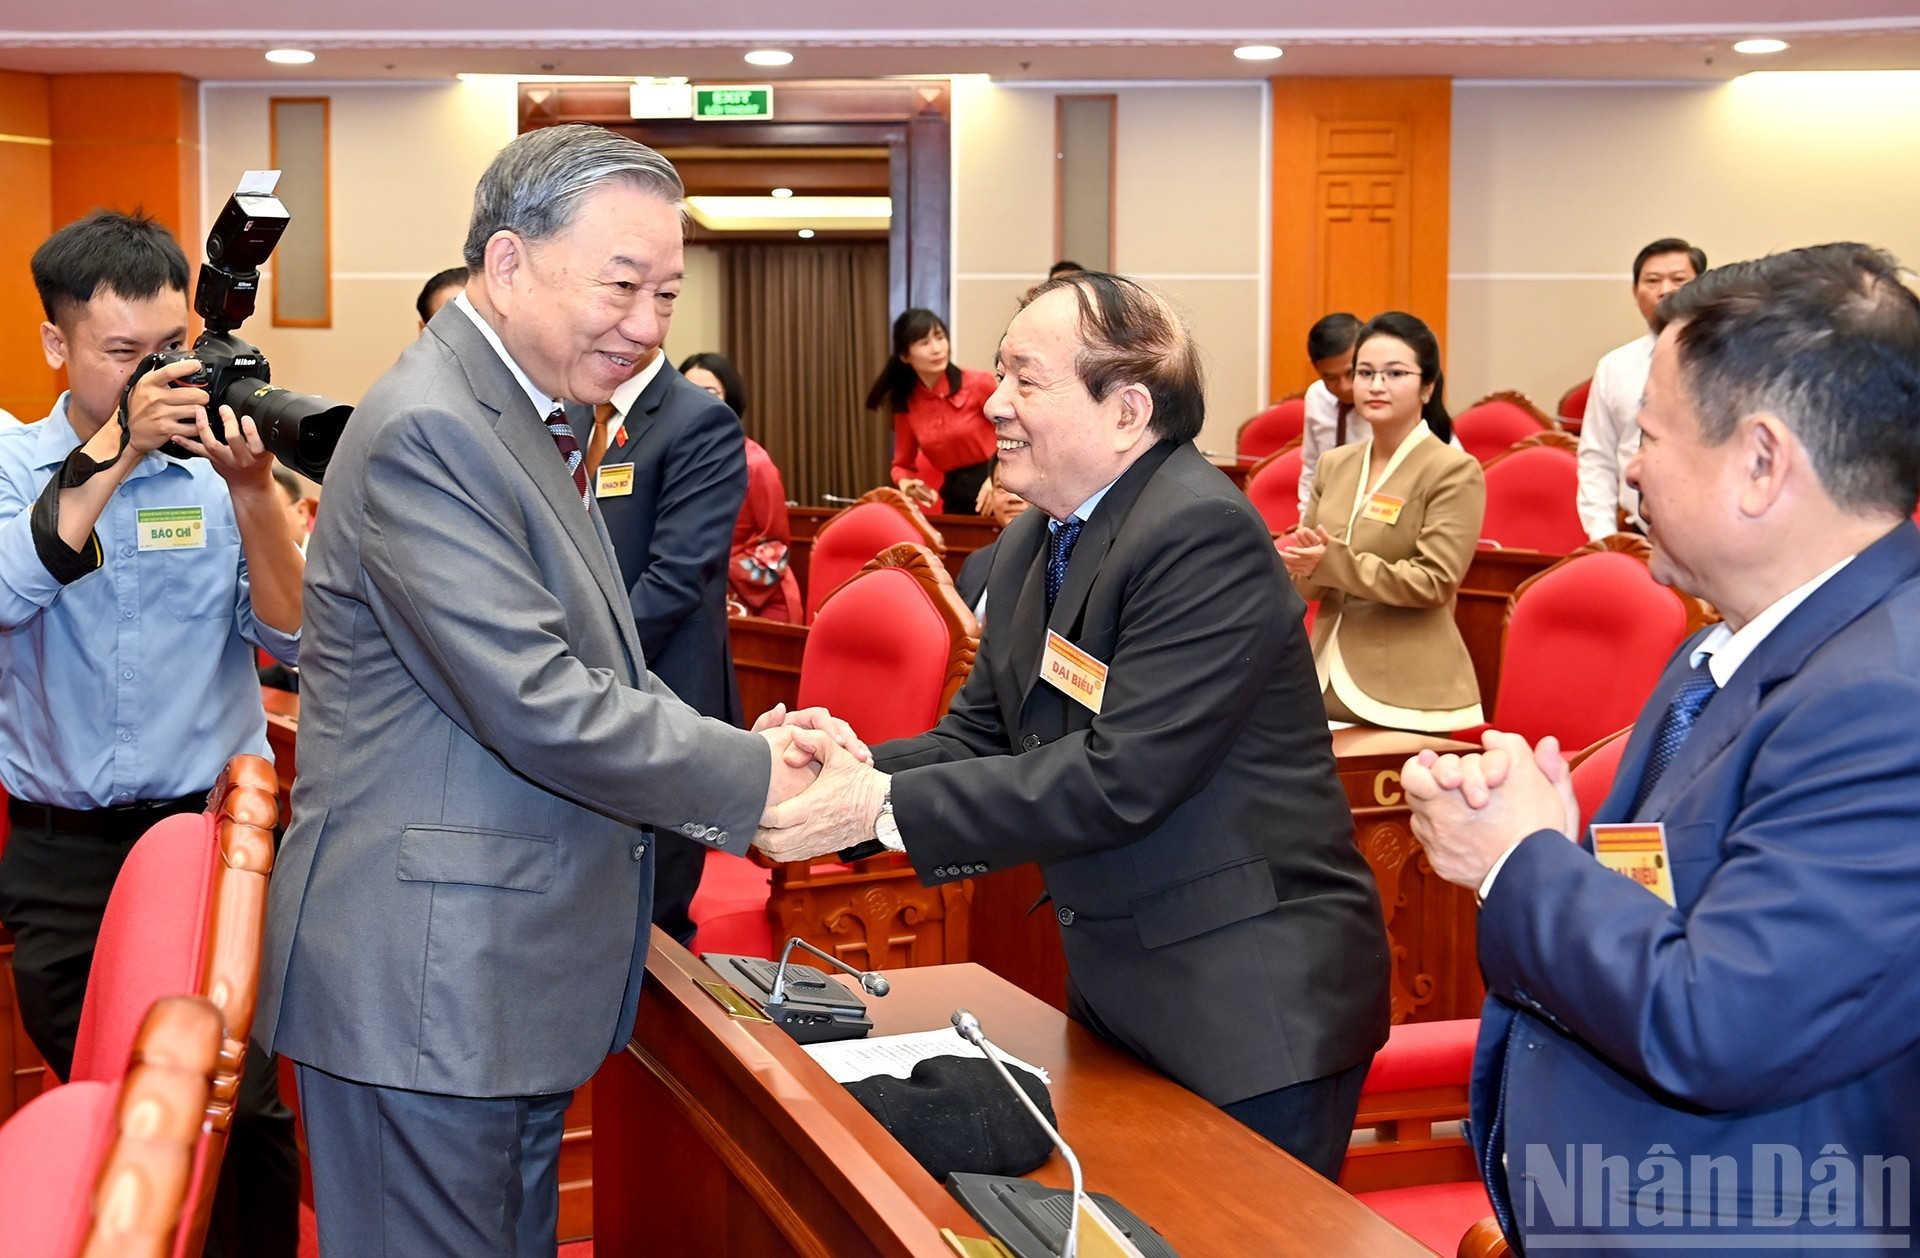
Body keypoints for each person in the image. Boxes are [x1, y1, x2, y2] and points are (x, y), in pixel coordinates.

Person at [256, 124, 859, 1258]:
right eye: (622, 285)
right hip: (428, 984)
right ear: (507, 262)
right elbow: (539, 701)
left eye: (668, 295)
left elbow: (596, 665)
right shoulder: (434, 429)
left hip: (498, 976)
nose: (646, 325)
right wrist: (753, 778)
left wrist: (737, 742)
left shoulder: (528, 414)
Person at [757, 271, 1392, 1179]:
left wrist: (873, 809)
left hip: (1249, 1003)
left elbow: (1119, 776)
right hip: (1125, 982)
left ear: (1128, 411)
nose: (995, 406)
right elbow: (980, 736)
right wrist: (826, 776)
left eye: (1024, 380)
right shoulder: (1033, 539)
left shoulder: (1201, 535)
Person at [1404, 243, 1920, 1253]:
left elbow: (1719, 1019)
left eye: (1650, 436)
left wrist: (1519, 861)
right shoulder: (1719, 646)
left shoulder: (1888, 700)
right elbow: (1661, 897)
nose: (1627, 467)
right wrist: (1552, 835)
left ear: (1763, 462)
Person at [0, 210, 305, 1256]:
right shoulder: (11, 464)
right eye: (124, 355)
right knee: (114, 1108)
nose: (157, 379)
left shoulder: (216, 476)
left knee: (245, 1111)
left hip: (205, 851)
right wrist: (117, 453)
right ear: (58, 346)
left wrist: (257, 493)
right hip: (62, 858)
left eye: (169, 352)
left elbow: (294, 634)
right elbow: (9, 589)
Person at [591, 330, 749, 946]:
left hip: (665, 697)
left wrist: (585, 664)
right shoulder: (577, 414)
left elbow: (677, 576)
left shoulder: (698, 420)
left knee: (654, 921)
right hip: (591, 698)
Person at [1279, 311, 1485, 732]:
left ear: (1428, 386)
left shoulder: (1453, 469)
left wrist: (1332, 562)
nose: (1375, 385)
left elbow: (1434, 582)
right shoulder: (1335, 464)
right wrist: (1302, 566)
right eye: (1365, 373)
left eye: (1394, 373)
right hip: (1322, 680)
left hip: (1409, 693)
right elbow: (1312, 580)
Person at [1576, 237, 1706, 540]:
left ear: (1702, 289)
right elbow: (1597, 457)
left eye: (1679, 279)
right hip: (1634, 534)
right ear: (1635, 293)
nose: (1665, 290)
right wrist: (1604, 539)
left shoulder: (1728, 363)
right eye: (1652, 280)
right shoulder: (1614, 366)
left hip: (1709, 538)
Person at [682, 351, 802, 623]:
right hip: (697, 590)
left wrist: (705, 567)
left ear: (730, 399)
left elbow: (775, 547)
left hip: (760, 603)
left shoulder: (754, 463)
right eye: (688, 390)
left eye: (710, 392)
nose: (697, 400)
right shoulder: (676, 458)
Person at [866, 308, 997, 515]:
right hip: (956, 495)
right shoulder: (908, 405)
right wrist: (907, 484)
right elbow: (901, 465)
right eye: (924, 343)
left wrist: (996, 477)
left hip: (999, 487)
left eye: (939, 337)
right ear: (904, 355)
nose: (937, 349)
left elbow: (1019, 432)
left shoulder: (979, 383)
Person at [1296, 312, 1361, 518]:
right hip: (1328, 517)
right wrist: (1306, 521)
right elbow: (1312, 467)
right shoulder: (1317, 396)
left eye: (1351, 372)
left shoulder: (1389, 396)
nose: (1344, 387)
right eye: (1330, 377)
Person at [952, 454, 1031, 626]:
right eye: (1002, 487)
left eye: (1022, 487)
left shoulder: (1057, 564)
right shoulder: (976, 562)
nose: (1012, 498)